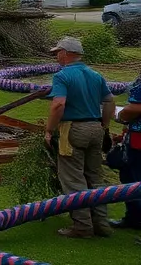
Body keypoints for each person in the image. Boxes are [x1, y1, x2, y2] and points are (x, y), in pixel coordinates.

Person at [44, 36, 116, 238]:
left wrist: (49, 130)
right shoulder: (95, 74)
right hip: (96, 128)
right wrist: (105, 126)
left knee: (74, 179)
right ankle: (101, 224)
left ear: (66, 53)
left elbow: (58, 104)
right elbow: (109, 102)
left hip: (73, 128)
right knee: (95, 177)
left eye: (58, 52)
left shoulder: (62, 76)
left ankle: (82, 226)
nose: (56, 56)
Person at [111, 71, 141, 229]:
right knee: (129, 177)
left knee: (135, 178)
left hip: (139, 139)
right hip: (134, 134)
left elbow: (136, 108)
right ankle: (133, 218)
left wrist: (121, 115)